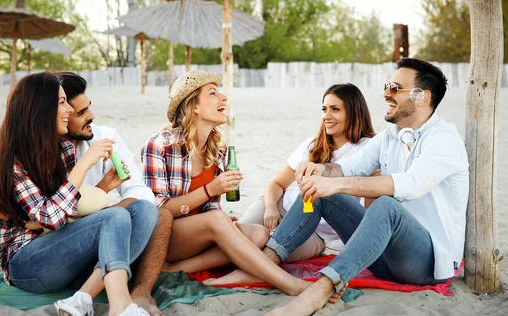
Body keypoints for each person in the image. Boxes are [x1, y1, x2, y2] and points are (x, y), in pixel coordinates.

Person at [0, 72, 172, 316]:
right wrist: (84, 165)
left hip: (64, 254)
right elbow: (50, 217)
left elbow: (67, 210)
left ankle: (82, 299)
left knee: (143, 210)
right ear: (41, 109)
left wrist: (103, 187)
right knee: (115, 216)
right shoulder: (12, 158)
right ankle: (120, 305)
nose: (69, 109)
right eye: (63, 103)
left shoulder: (67, 148)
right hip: (28, 263)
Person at [266, 58, 469, 315]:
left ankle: (321, 290)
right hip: (382, 257)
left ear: (421, 96)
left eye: (395, 87)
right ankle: (267, 260)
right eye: (387, 85)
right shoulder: (390, 136)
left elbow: (410, 185)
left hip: (427, 264)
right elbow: (348, 167)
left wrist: (336, 184)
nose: (386, 93)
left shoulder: (444, 139)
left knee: (386, 205)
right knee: (321, 194)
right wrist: (321, 170)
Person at [141, 70, 310, 295]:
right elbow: (159, 210)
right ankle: (288, 284)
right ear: (194, 106)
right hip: (164, 239)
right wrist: (211, 191)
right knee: (218, 220)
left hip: (196, 238)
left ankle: (175, 269)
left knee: (258, 234)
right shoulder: (160, 145)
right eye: (213, 93)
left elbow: (211, 207)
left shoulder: (218, 149)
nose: (223, 98)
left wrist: (222, 222)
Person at [239, 83, 376, 262]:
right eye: (324, 109)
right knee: (236, 237)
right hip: (280, 207)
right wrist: (271, 208)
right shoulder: (312, 145)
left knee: (266, 249)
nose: (327, 116)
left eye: (335, 109)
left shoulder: (368, 150)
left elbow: (369, 211)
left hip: (318, 233)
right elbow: (277, 184)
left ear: (353, 112)